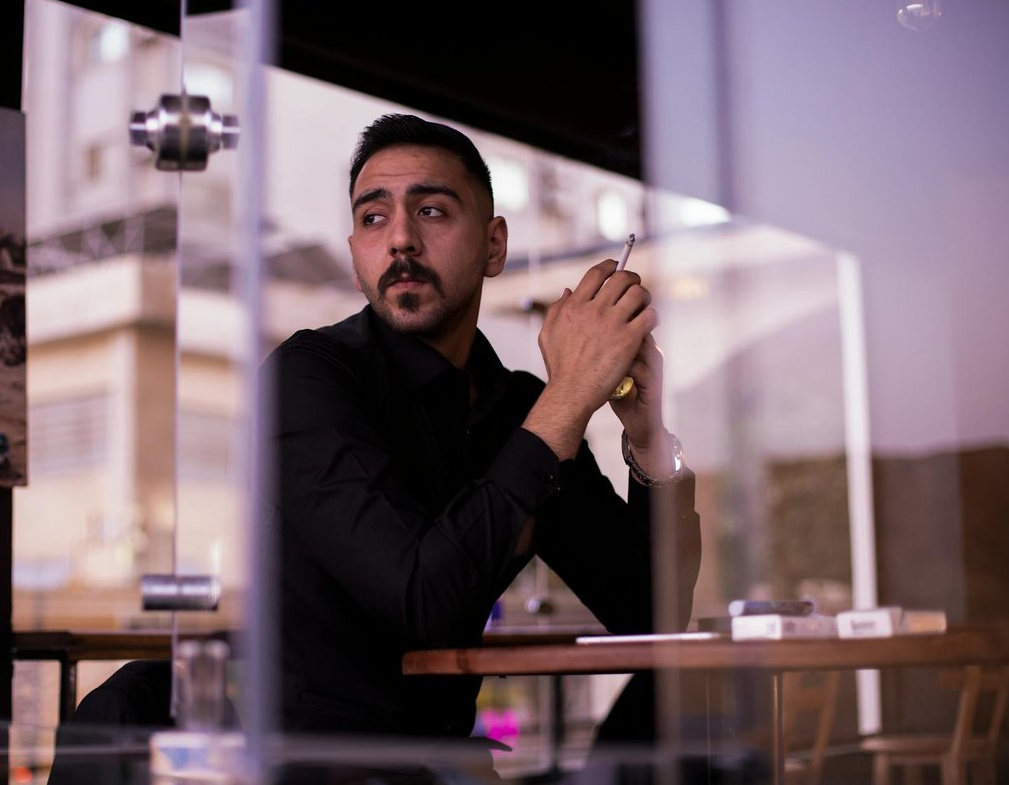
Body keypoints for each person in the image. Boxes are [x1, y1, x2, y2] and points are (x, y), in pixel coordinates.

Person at [267, 114, 701, 771]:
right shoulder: (310, 376)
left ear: (494, 246)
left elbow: (651, 616)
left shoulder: (520, 407)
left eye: (433, 210)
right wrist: (570, 396)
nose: (402, 241)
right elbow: (423, 599)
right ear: (356, 254)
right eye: (374, 219)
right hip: (320, 770)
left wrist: (646, 433)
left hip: (451, 766)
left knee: (679, 710)